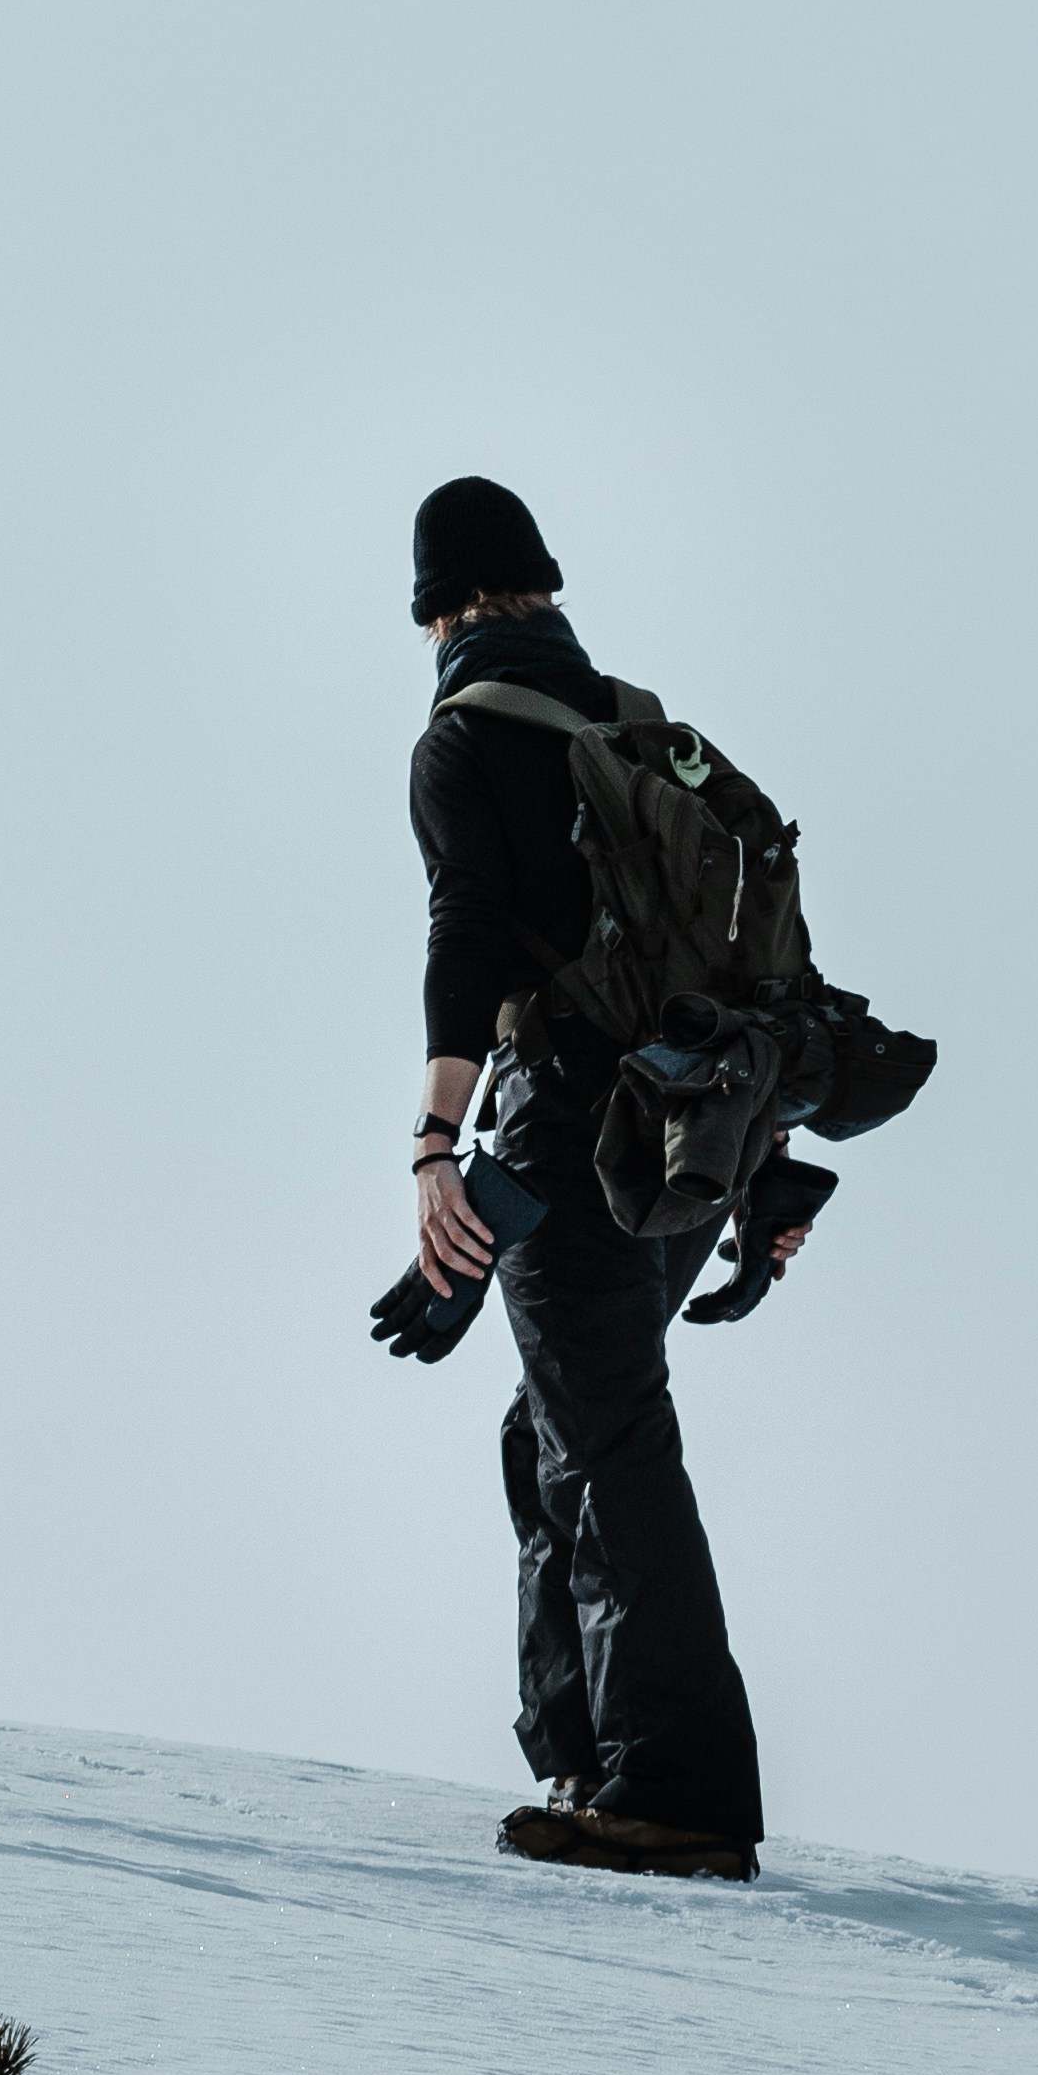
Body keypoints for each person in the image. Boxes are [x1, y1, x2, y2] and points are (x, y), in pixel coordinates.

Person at [402, 476, 773, 1886]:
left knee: (607, 1440)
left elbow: (467, 934)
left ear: (435, 607)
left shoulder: (467, 736)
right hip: (693, 1141)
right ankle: (582, 1751)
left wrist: (438, 1141)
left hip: (572, 1136)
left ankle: (673, 1793)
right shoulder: (645, 728)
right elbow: (747, 961)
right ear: (547, 585)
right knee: (552, 1427)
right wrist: (766, 1173)